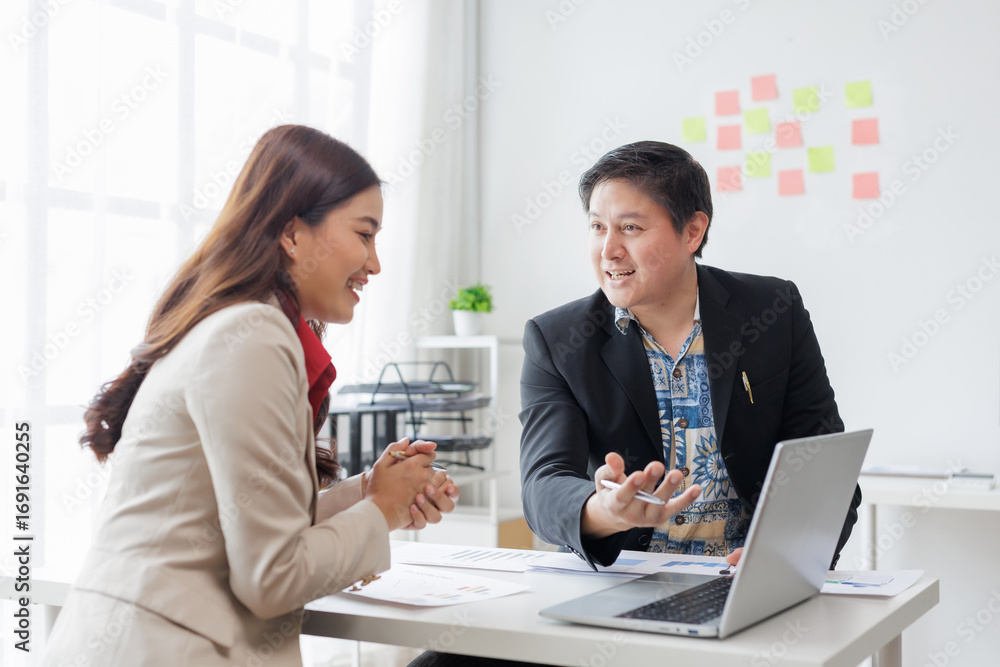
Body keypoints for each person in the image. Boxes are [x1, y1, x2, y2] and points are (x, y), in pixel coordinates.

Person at [43, 124, 459, 667]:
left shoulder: (242, 326)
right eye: (364, 234)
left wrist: (371, 494)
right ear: (292, 234)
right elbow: (272, 575)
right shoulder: (254, 338)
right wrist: (382, 509)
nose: (375, 263)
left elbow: (248, 525)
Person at [519, 140, 861, 572]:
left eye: (630, 228)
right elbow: (542, 485)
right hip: (623, 580)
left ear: (693, 232)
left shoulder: (773, 311)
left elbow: (825, 465)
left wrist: (785, 559)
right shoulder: (557, 340)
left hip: (746, 580)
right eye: (597, 227)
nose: (608, 251)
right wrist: (603, 510)